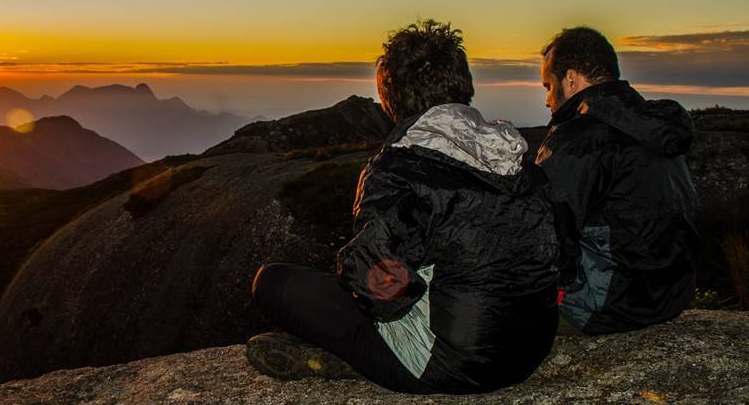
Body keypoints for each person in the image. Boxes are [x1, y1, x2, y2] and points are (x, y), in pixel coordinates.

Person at [246, 19, 564, 393]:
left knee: (272, 282)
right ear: (464, 87)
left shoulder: (398, 167)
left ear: (388, 97)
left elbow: (381, 287)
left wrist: (351, 274)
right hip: (529, 350)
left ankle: (356, 358)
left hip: (452, 363)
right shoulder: (517, 160)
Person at [536, 26, 698, 335]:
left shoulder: (578, 139)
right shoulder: (657, 127)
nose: (546, 99)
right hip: (670, 297)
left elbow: (547, 239)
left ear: (570, 79)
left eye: (548, 85)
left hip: (604, 308)